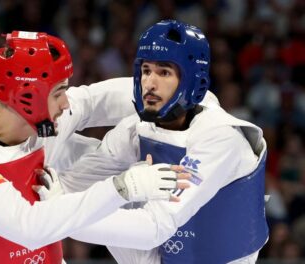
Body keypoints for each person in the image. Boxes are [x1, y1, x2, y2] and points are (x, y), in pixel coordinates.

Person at [0, 28, 189, 263]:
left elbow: (90, 100)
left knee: (117, 143)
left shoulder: (39, 131)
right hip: (31, 225)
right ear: (26, 96)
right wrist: (123, 187)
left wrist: (179, 97)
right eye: (59, 92)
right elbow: (29, 227)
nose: (66, 102)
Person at [58, 20, 269, 263]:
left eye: (164, 72)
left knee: (71, 202)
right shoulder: (136, 130)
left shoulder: (220, 138)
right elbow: (74, 183)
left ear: (192, 81)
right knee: (61, 166)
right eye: (146, 70)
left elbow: (153, 227)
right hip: (161, 255)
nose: (150, 83)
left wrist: (55, 219)